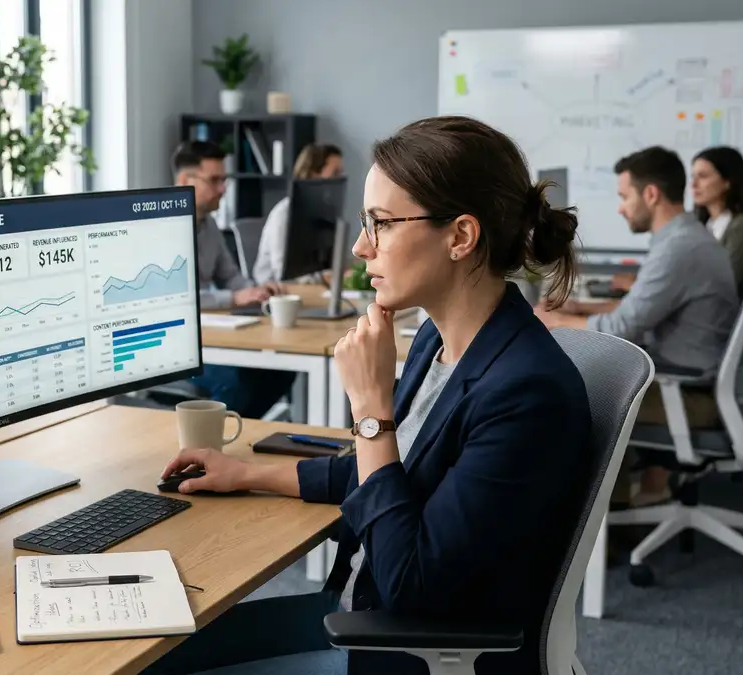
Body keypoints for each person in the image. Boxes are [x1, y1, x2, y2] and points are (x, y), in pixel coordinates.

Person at [146, 117, 591, 675]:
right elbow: (385, 475)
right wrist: (244, 473)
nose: (360, 247)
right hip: (360, 614)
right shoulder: (437, 338)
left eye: (380, 224)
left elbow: (411, 583)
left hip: (408, 649)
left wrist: (372, 411)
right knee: (158, 654)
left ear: (460, 237)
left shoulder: (526, 394)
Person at [537, 146, 738, 505]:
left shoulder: (680, 249)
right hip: (696, 380)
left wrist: (556, 321)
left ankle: (602, 533)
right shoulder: (686, 238)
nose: (620, 207)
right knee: (601, 376)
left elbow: (622, 327)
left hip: (691, 395)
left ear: (651, 194)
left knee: (586, 397)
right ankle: (619, 512)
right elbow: (644, 308)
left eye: (624, 196)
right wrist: (580, 306)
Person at [171, 141, 295, 419]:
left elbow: (230, 276)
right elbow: (178, 299)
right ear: (184, 180)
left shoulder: (210, 225)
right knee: (236, 381)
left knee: (280, 372)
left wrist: (256, 291)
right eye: (214, 180)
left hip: (208, 339)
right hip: (175, 348)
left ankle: (239, 437)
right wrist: (234, 298)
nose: (223, 188)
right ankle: (210, 444)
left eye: (224, 179)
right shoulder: (162, 230)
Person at [252, 143, 345, 284]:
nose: (340, 179)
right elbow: (283, 275)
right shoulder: (284, 214)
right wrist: (327, 277)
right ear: (313, 173)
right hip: (277, 294)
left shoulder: (323, 212)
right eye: (335, 173)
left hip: (311, 290)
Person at [692, 146, 743, 297]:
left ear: (727, 182)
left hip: (722, 316)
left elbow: (717, 285)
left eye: (703, 176)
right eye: (693, 177)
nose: (693, 184)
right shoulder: (705, 227)